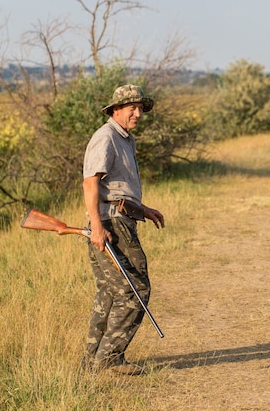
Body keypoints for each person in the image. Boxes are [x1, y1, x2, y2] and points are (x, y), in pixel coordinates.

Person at [81, 84, 165, 376]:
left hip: (119, 219)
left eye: (140, 107)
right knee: (136, 289)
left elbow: (117, 189)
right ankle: (109, 359)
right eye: (131, 107)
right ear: (115, 109)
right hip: (110, 224)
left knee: (110, 292)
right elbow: (91, 183)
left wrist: (144, 210)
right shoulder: (105, 138)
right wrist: (96, 226)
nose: (137, 113)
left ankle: (92, 359)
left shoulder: (126, 139)